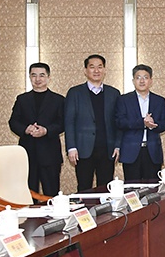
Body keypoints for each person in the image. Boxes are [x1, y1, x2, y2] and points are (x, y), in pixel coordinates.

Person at [65, 54, 121, 191]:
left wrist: (118, 145)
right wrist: (71, 147)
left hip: (107, 149)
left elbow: (118, 122)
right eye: (92, 67)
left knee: (106, 188)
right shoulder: (75, 92)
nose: (96, 70)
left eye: (100, 67)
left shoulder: (114, 93)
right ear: (85, 71)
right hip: (82, 149)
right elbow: (69, 121)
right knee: (84, 188)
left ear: (104, 70)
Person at [8, 62, 65, 196]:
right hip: (28, 154)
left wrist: (46, 130)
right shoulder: (22, 99)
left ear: (48, 77)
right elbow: (13, 122)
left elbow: (63, 123)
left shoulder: (59, 100)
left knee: (51, 195)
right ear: (29, 77)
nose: (38, 79)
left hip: (50, 155)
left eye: (42, 75)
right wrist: (25, 129)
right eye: (34, 75)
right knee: (28, 194)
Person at [115, 64, 165, 182]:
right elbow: (120, 122)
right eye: (138, 77)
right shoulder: (123, 100)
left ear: (151, 81)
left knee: (153, 187)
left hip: (152, 151)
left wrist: (153, 125)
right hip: (131, 151)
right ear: (133, 81)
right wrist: (143, 123)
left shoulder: (159, 101)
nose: (142, 81)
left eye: (145, 77)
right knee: (132, 187)